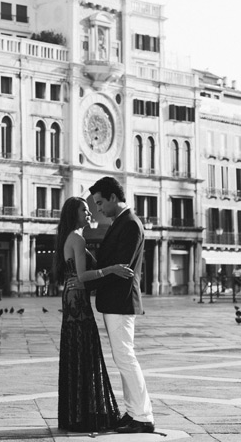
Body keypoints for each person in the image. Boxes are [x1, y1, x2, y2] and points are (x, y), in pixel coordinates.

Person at [54, 196, 132, 433]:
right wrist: (112, 269)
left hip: (72, 300)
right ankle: (84, 413)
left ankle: (77, 412)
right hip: (77, 302)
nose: (89, 213)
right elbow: (82, 276)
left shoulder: (70, 238)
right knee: (85, 353)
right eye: (84, 210)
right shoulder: (77, 239)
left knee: (78, 353)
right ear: (73, 214)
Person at [89, 176, 156, 434]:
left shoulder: (129, 224)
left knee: (126, 357)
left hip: (121, 299)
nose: (98, 209)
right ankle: (133, 412)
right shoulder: (123, 222)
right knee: (123, 357)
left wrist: (92, 274)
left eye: (100, 202)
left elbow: (121, 265)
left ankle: (143, 415)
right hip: (116, 300)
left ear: (114, 198)